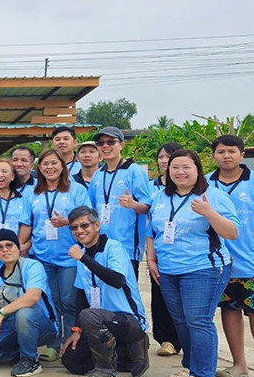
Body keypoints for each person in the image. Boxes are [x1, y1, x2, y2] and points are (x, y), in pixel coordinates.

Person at [146, 149, 239, 377]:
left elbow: (231, 232)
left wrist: (209, 213)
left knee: (198, 321)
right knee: (180, 321)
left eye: (186, 166)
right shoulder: (160, 197)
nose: (180, 171)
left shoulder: (213, 196)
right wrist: (151, 259)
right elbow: (152, 232)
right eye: (175, 167)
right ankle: (189, 367)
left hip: (204, 268)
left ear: (198, 170)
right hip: (167, 270)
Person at [60, 207, 150, 377]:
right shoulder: (83, 254)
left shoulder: (113, 248)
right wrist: (77, 330)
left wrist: (84, 258)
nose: (79, 231)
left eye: (84, 225)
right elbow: (81, 295)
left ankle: (107, 371)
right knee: (72, 361)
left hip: (128, 320)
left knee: (89, 316)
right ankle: (125, 352)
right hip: (99, 323)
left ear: (97, 225)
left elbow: (117, 280)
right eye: (74, 227)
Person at [23, 149, 91, 358]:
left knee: (69, 302)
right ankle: (53, 344)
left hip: (70, 257)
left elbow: (88, 220)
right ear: (39, 168)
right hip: (42, 257)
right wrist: (20, 247)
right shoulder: (31, 192)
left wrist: (68, 221)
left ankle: (68, 342)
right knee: (50, 302)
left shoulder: (76, 190)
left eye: (54, 163)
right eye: (45, 164)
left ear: (62, 166)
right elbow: (27, 223)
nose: (50, 167)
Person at [0, 230, 58, 377]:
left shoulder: (32, 266)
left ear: (18, 247)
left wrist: (2, 312)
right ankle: (22, 350)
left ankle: (30, 360)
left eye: (9, 245)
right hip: (12, 325)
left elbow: (33, 296)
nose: (5, 250)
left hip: (43, 325)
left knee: (23, 312)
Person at [208, 135, 254, 377]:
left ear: (241, 154)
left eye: (232, 151)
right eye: (221, 151)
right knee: (229, 311)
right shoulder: (204, 184)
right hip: (219, 263)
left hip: (251, 261)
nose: (226, 156)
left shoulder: (253, 182)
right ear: (213, 155)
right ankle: (239, 365)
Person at [89, 127, 151, 272]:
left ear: (121, 145)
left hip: (126, 246)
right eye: (101, 143)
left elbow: (147, 206)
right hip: (100, 245)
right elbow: (91, 210)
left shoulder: (134, 171)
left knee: (125, 292)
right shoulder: (98, 175)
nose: (105, 146)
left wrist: (134, 204)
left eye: (111, 142)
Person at [149, 143, 184, 358]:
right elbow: (148, 223)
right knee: (160, 298)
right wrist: (150, 255)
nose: (164, 161)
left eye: (169, 157)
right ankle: (167, 340)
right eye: (161, 157)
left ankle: (184, 340)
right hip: (160, 251)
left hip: (186, 254)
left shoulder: (195, 188)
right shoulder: (151, 186)